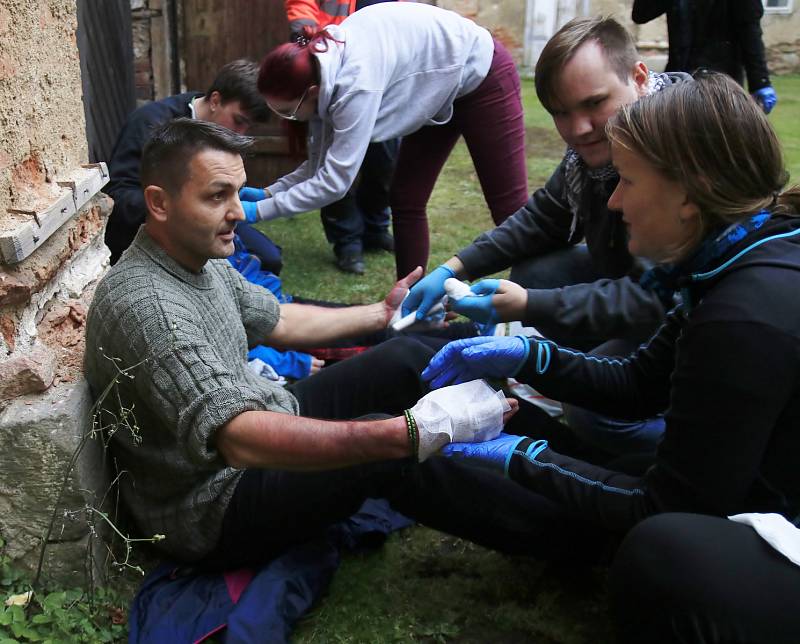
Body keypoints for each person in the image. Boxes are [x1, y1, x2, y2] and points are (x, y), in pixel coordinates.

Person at [83, 118, 566, 569]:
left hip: (262, 421)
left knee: (409, 355)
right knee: (388, 448)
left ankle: (578, 467)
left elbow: (278, 319)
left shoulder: (197, 260)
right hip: (212, 508)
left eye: (237, 192)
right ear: (159, 203)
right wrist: (410, 432)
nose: (237, 212)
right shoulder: (149, 307)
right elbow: (239, 439)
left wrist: (383, 314)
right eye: (216, 196)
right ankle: (580, 538)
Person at [424, 73, 800, 643]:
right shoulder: (733, 257)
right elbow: (639, 382)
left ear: (688, 193)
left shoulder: (744, 312)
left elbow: (664, 507)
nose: (616, 201)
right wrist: (526, 355)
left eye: (626, 180)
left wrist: (520, 455)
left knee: (659, 554)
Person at [405, 16, 689, 458]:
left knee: (595, 407)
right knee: (542, 270)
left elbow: (656, 297)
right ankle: (588, 356)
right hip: (641, 284)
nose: (578, 129)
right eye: (562, 113)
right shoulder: (601, 149)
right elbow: (543, 217)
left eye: (594, 103)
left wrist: (528, 305)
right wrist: (454, 266)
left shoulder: (678, 149)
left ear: (638, 76)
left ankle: (686, 447)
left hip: (688, 313)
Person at [243, 2, 529, 279]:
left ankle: (541, 298)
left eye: (287, 112)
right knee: (406, 198)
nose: (289, 119)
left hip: (483, 72)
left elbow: (335, 182)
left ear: (313, 92)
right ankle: (409, 303)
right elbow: (321, 165)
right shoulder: (321, 74)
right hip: (439, 86)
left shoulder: (356, 83)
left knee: (509, 209)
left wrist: (259, 212)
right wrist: (270, 193)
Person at [103, 59, 280, 270]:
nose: (240, 133)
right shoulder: (150, 123)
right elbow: (119, 195)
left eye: (249, 126)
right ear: (215, 100)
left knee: (271, 258)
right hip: (154, 232)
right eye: (239, 121)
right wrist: (182, 208)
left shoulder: (212, 124)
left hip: (208, 215)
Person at [284, 0, 400, 275]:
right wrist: (309, 44)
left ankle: (375, 228)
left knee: (385, 163)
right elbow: (301, 6)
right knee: (334, 165)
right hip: (333, 69)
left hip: (382, 73)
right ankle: (347, 242)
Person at [632, 0, 778, 113]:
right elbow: (641, 14)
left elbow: (750, 32)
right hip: (677, 82)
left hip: (719, 85)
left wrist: (760, 82)